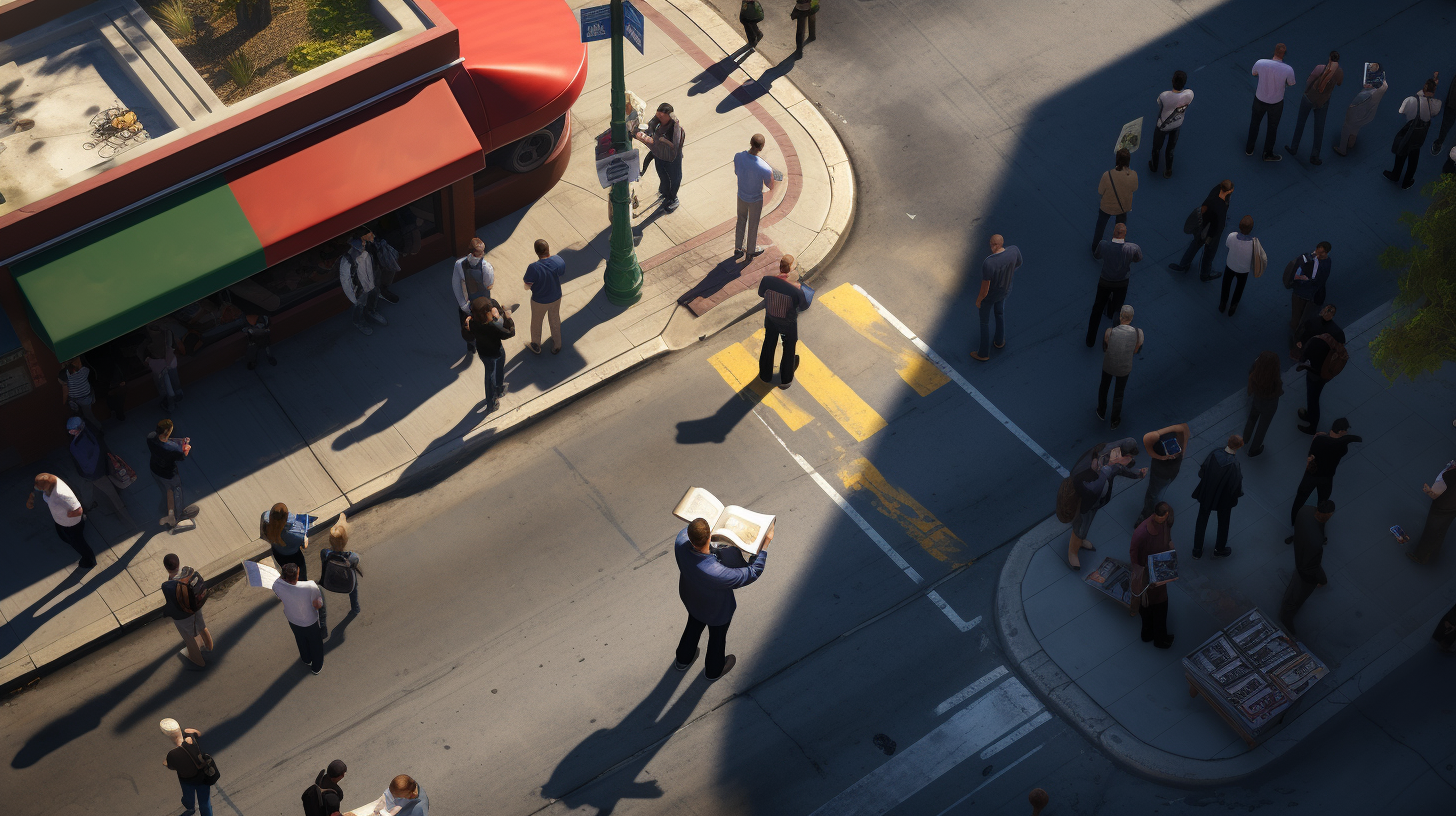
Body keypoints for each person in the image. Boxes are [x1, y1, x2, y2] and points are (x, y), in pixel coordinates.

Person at [674, 517, 770, 680]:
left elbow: (689, 529)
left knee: (694, 624)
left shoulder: (680, 540)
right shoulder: (715, 572)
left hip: (691, 596)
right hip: (716, 610)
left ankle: (683, 659)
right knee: (717, 637)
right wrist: (765, 544)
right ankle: (713, 670)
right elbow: (752, 572)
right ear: (709, 537)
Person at [1066, 440, 1145, 569]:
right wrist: (1105, 472)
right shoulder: (1100, 466)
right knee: (1080, 525)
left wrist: (1138, 474)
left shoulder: (1114, 463)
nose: (1131, 461)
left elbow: (1122, 470)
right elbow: (1090, 488)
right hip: (1087, 502)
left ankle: (1080, 541)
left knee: (1086, 524)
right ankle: (1072, 552)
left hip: (1096, 501)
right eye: (1130, 458)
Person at [1287, 418, 1361, 528]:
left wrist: (1319, 436)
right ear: (1340, 431)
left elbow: (1311, 454)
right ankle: (1319, 522)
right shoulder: (1341, 446)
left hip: (1311, 474)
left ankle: (1294, 520)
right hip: (1326, 477)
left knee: (1300, 498)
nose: (1346, 432)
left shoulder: (1319, 440)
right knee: (1323, 501)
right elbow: (1351, 439)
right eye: (1345, 430)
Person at [66, 416, 135, 528]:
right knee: (113, 489)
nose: (69, 431)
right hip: (105, 465)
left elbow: (86, 465)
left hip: (96, 474)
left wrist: (88, 475)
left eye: (71, 429)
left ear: (75, 430)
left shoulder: (75, 447)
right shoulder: (90, 431)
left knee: (112, 496)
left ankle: (128, 521)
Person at [1280, 501, 1335, 638]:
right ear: (1327, 515)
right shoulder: (1316, 543)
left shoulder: (1304, 510)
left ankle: (1322, 580)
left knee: (1300, 587)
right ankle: (1285, 616)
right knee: (1296, 594)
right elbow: (1313, 566)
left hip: (1302, 552)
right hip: (1305, 570)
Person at [1086, 223, 1142, 347]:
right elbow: (1138, 258)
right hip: (1121, 283)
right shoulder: (1133, 248)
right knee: (1118, 309)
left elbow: (1096, 255)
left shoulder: (1104, 245)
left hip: (1105, 281)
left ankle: (1090, 339)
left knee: (1097, 309)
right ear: (1125, 235)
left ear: (1113, 233)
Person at [757, 254, 809, 388]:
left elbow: (761, 293)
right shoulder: (796, 289)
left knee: (769, 343)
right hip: (787, 323)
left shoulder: (767, 280)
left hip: (771, 319)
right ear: (791, 269)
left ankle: (764, 375)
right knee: (789, 347)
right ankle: (786, 379)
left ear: (780, 267)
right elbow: (803, 306)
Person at [1190, 434, 1244, 559]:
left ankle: (1197, 550)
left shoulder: (1214, 453)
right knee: (1223, 523)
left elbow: (1202, 471)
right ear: (1239, 447)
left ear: (1228, 441)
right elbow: (1235, 487)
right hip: (1223, 499)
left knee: (1201, 521)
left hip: (1207, 493)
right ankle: (1219, 549)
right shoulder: (1234, 464)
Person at [1131, 502, 1177, 649]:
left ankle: (1147, 634)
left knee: (1147, 604)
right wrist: (1141, 571)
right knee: (1159, 606)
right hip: (1150, 571)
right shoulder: (1144, 532)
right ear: (1165, 515)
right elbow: (1134, 552)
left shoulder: (1150, 528)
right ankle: (1160, 639)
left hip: (1153, 568)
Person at [1285, 51, 1343, 164]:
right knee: (1319, 128)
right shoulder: (1339, 72)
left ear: (1329, 58)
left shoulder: (1320, 68)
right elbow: (1339, 83)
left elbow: (1309, 80)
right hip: (1323, 101)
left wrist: (1307, 92)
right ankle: (1314, 156)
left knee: (1300, 122)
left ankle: (1294, 148)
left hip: (1309, 97)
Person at [27, 473, 96, 569]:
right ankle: (71, 540)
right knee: (63, 536)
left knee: (79, 544)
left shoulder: (61, 495)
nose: (36, 487)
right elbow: (37, 486)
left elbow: (79, 511)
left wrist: (69, 515)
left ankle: (89, 560)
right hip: (60, 520)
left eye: (39, 487)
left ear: (46, 486)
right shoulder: (51, 480)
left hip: (72, 524)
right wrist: (32, 496)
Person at [1385, 75, 1442, 189]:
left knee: (1401, 152)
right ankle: (1407, 181)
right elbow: (1434, 112)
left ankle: (1395, 175)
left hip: (1409, 130)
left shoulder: (1411, 100)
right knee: (1414, 157)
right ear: (1434, 91)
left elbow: (1402, 110)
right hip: (1420, 135)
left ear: (1423, 88)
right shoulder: (1437, 104)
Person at [1168, 180, 1232, 281]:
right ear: (1229, 191)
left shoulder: (1214, 192)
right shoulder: (1220, 207)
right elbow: (1218, 225)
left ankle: (1184, 264)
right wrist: (1210, 236)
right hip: (1212, 231)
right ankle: (1205, 273)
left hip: (1204, 224)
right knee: (1209, 252)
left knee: (1195, 243)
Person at [973, 234, 1022, 361]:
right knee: (999, 313)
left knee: (984, 322)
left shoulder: (989, 263)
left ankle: (983, 353)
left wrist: (979, 301)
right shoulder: (1014, 250)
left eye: (991, 244)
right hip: (1004, 291)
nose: (990, 246)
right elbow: (1019, 263)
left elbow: (985, 288)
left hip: (990, 296)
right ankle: (999, 341)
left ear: (995, 245)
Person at [162, 553, 213, 670]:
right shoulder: (188, 572)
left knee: (189, 638)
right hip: (196, 607)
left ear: (166, 568)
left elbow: (171, 604)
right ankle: (209, 646)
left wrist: (166, 613)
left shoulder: (167, 586)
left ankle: (198, 661)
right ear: (179, 564)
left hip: (183, 615)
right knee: (202, 626)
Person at [273, 562, 325, 674]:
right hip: (309, 621)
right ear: (297, 575)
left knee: (300, 639)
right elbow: (318, 605)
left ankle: (306, 659)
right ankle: (316, 667)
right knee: (315, 644)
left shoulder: (276, 585)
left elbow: (281, 598)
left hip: (292, 619)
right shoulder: (310, 586)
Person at [1247, 43, 1296, 160]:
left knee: (1254, 124)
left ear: (1274, 51)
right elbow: (1291, 83)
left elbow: (1254, 73)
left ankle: (1249, 149)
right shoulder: (1288, 69)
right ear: (1284, 54)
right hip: (1276, 103)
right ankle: (1267, 153)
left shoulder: (1260, 63)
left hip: (1259, 99)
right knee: (1272, 128)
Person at [632, 102, 685, 212]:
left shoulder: (675, 130)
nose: (658, 117)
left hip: (671, 158)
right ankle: (664, 191)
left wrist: (640, 136)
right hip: (659, 155)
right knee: (662, 174)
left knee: (674, 179)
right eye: (658, 115)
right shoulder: (658, 120)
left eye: (662, 116)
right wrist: (645, 131)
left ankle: (673, 198)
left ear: (669, 116)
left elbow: (655, 143)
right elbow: (650, 126)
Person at [1097, 305, 1143, 430]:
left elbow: (1105, 348)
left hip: (1109, 364)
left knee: (1104, 387)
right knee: (1119, 393)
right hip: (1124, 367)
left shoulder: (1109, 331)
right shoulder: (1138, 333)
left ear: (1121, 316)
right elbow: (1136, 350)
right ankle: (1114, 420)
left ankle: (1101, 411)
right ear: (1132, 318)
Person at [465, 297, 515, 412]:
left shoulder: (472, 323)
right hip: (496, 351)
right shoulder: (492, 326)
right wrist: (508, 318)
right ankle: (497, 393)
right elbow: (510, 333)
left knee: (489, 375)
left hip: (483, 353)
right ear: (485, 313)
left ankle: (492, 399)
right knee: (497, 369)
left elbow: (469, 330)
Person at [1403, 460, 1456, 564]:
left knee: (1431, 530)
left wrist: (1429, 492)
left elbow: (1436, 494)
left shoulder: (1450, 476)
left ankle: (1422, 556)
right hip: (1450, 507)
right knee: (1442, 529)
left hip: (1442, 507)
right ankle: (1433, 554)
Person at [148, 419, 197, 532]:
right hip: (169, 474)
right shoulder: (173, 449)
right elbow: (181, 456)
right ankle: (177, 518)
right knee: (176, 491)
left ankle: (170, 512)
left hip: (155, 469)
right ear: (169, 432)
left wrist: (179, 442)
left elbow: (164, 441)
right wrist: (186, 447)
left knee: (168, 490)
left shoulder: (151, 438)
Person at [1295, 319, 1343, 434]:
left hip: (1315, 375)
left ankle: (1312, 425)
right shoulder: (1327, 337)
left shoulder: (1312, 343)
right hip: (1326, 373)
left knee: (1313, 399)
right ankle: (1311, 417)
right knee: (1314, 398)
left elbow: (1302, 359)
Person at [734, 133, 777, 261]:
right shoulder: (763, 167)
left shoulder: (738, 156)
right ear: (761, 147)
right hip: (755, 200)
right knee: (753, 225)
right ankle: (751, 250)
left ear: (750, 143)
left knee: (741, 221)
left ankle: (738, 248)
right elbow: (770, 185)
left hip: (741, 196)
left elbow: (737, 172)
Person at [340, 227, 388, 336]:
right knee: (359, 305)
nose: (364, 244)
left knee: (373, 296)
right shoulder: (347, 259)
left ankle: (372, 311)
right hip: (359, 288)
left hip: (372, 282)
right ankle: (358, 322)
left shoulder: (368, 249)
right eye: (362, 243)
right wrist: (352, 298)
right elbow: (345, 281)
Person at [1138, 423, 1189, 524]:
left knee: (1153, 494)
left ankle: (1147, 514)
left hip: (1163, 473)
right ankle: (1149, 514)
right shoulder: (1175, 435)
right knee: (1155, 493)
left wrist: (1163, 457)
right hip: (1167, 472)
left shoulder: (1160, 440)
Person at [160, 718, 213, 816]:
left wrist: (166, 762)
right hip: (202, 777)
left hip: (187, 780)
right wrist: (189, 731)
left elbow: (171, 766)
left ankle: (190, 809)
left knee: (188, 797)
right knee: (205, 802)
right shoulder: (190, 737)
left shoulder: (172, 755)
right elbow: (198, 734)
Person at [452, 237, 494, 355]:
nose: (483, 254)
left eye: (483, 251)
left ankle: (478, 344)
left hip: (480, 303)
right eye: (480, 252)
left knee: (483, 325)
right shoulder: (460, 265)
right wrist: (463, 305)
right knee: (469, 327)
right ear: (472, 252)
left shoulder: (486, 266)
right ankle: (472, 344)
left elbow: (488, 285)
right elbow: (456, 285)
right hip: (470, 303)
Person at [523, 239, 565, 355]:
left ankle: (536, 345)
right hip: (556, 296)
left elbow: (527, 285)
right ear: (548, 249)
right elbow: (561, 273)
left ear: (536, 252)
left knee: (536, 322)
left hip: (539, 301)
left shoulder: (533, 268)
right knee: (555, 319)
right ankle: (557, 344)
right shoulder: (558, 260)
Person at [1334, 66, 1389, 156]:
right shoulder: (1384, 86)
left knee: (1346, 128)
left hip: (1358, 112)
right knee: (1357, 126)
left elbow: (1353, 105)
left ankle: (1342, 149)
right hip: (1369, 114)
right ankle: (1351, 143)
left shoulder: (1365, 94)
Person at [1148, 70, 1193, 178]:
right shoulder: (1190, 94)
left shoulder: (1164, 96)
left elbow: (1160, 104)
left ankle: (1154, 167)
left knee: (1156, 148)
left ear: (1172, 81)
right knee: (1171, 149)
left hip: (1162, 126)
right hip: (1177, 124)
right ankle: (1168, 170)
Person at [1092, 149, 1137, 253]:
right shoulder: (1133, 175)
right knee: (1120, 227)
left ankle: (1095, 248)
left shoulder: (1107, 175)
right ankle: (1117, 249)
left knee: (1100, 226)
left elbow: (1100, 191)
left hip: (1107, 206)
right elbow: (1134, 188)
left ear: (1117, 159)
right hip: (1123, 206)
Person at [320, 513, 362, 617]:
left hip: (333, 575)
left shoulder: (325, 552)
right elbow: (356, 561)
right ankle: (355, 608)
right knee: (354, 589)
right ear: (345, 541)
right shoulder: (352, 556)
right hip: (347, 579)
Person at [1243, 351, 1283, 456]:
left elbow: (1250, 372)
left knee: (1251, 419)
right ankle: (1254, 449)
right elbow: (1279, 389)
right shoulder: (1274, 376)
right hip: (1270, 404)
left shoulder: (1256, 370)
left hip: (1257, 399)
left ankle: (1245, 439)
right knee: (1262, 427)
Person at [1220, 216, 1263, 315]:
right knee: (1239, 287)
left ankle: (1223, 303)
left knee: (1226, 284)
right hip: (1244, 270)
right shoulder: (1254, 243)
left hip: (1230, 265)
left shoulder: (1232, 236)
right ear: (1251, 228)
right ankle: (1233, 306)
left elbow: (1227, 245)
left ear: (1239, 226)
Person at [1288, 243, 1332, 333]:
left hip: (1305, 294)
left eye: (1321, 253)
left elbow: (1317, 280)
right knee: (1301, 315)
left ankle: (1297, 334)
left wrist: (1304, 279)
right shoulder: (1321, 260)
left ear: (1326, 253)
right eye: (1317, 252)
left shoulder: (1323, 264)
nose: (1318, 255)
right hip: (1309, 294)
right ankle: (1298, 330)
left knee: (1300, 317)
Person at [262, 502, 309, 581]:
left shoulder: (266, 524)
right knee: (301, 578)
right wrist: (305, 536)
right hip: (294, 557)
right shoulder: (295, 534)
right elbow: (305, 545)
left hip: (278, 554)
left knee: (286, 573)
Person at [144, 322, 184, 411]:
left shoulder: (148, 339)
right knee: (173, 380)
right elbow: (173, 345)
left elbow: (144, 353)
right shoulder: (167, 332)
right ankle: (177, 396)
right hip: (169, 361)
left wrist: (148, 360)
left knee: (164, 386)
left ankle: (170, 405)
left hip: (159, 365)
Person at [59, 356, 99, 427]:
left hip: (74, 399)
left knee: (78, 416)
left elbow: (65, 392)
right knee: (89, 416)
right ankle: (97, 429)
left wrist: (63, 403)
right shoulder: (85, 369)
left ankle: (90, 430)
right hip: (87, 397)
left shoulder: (64, 374)